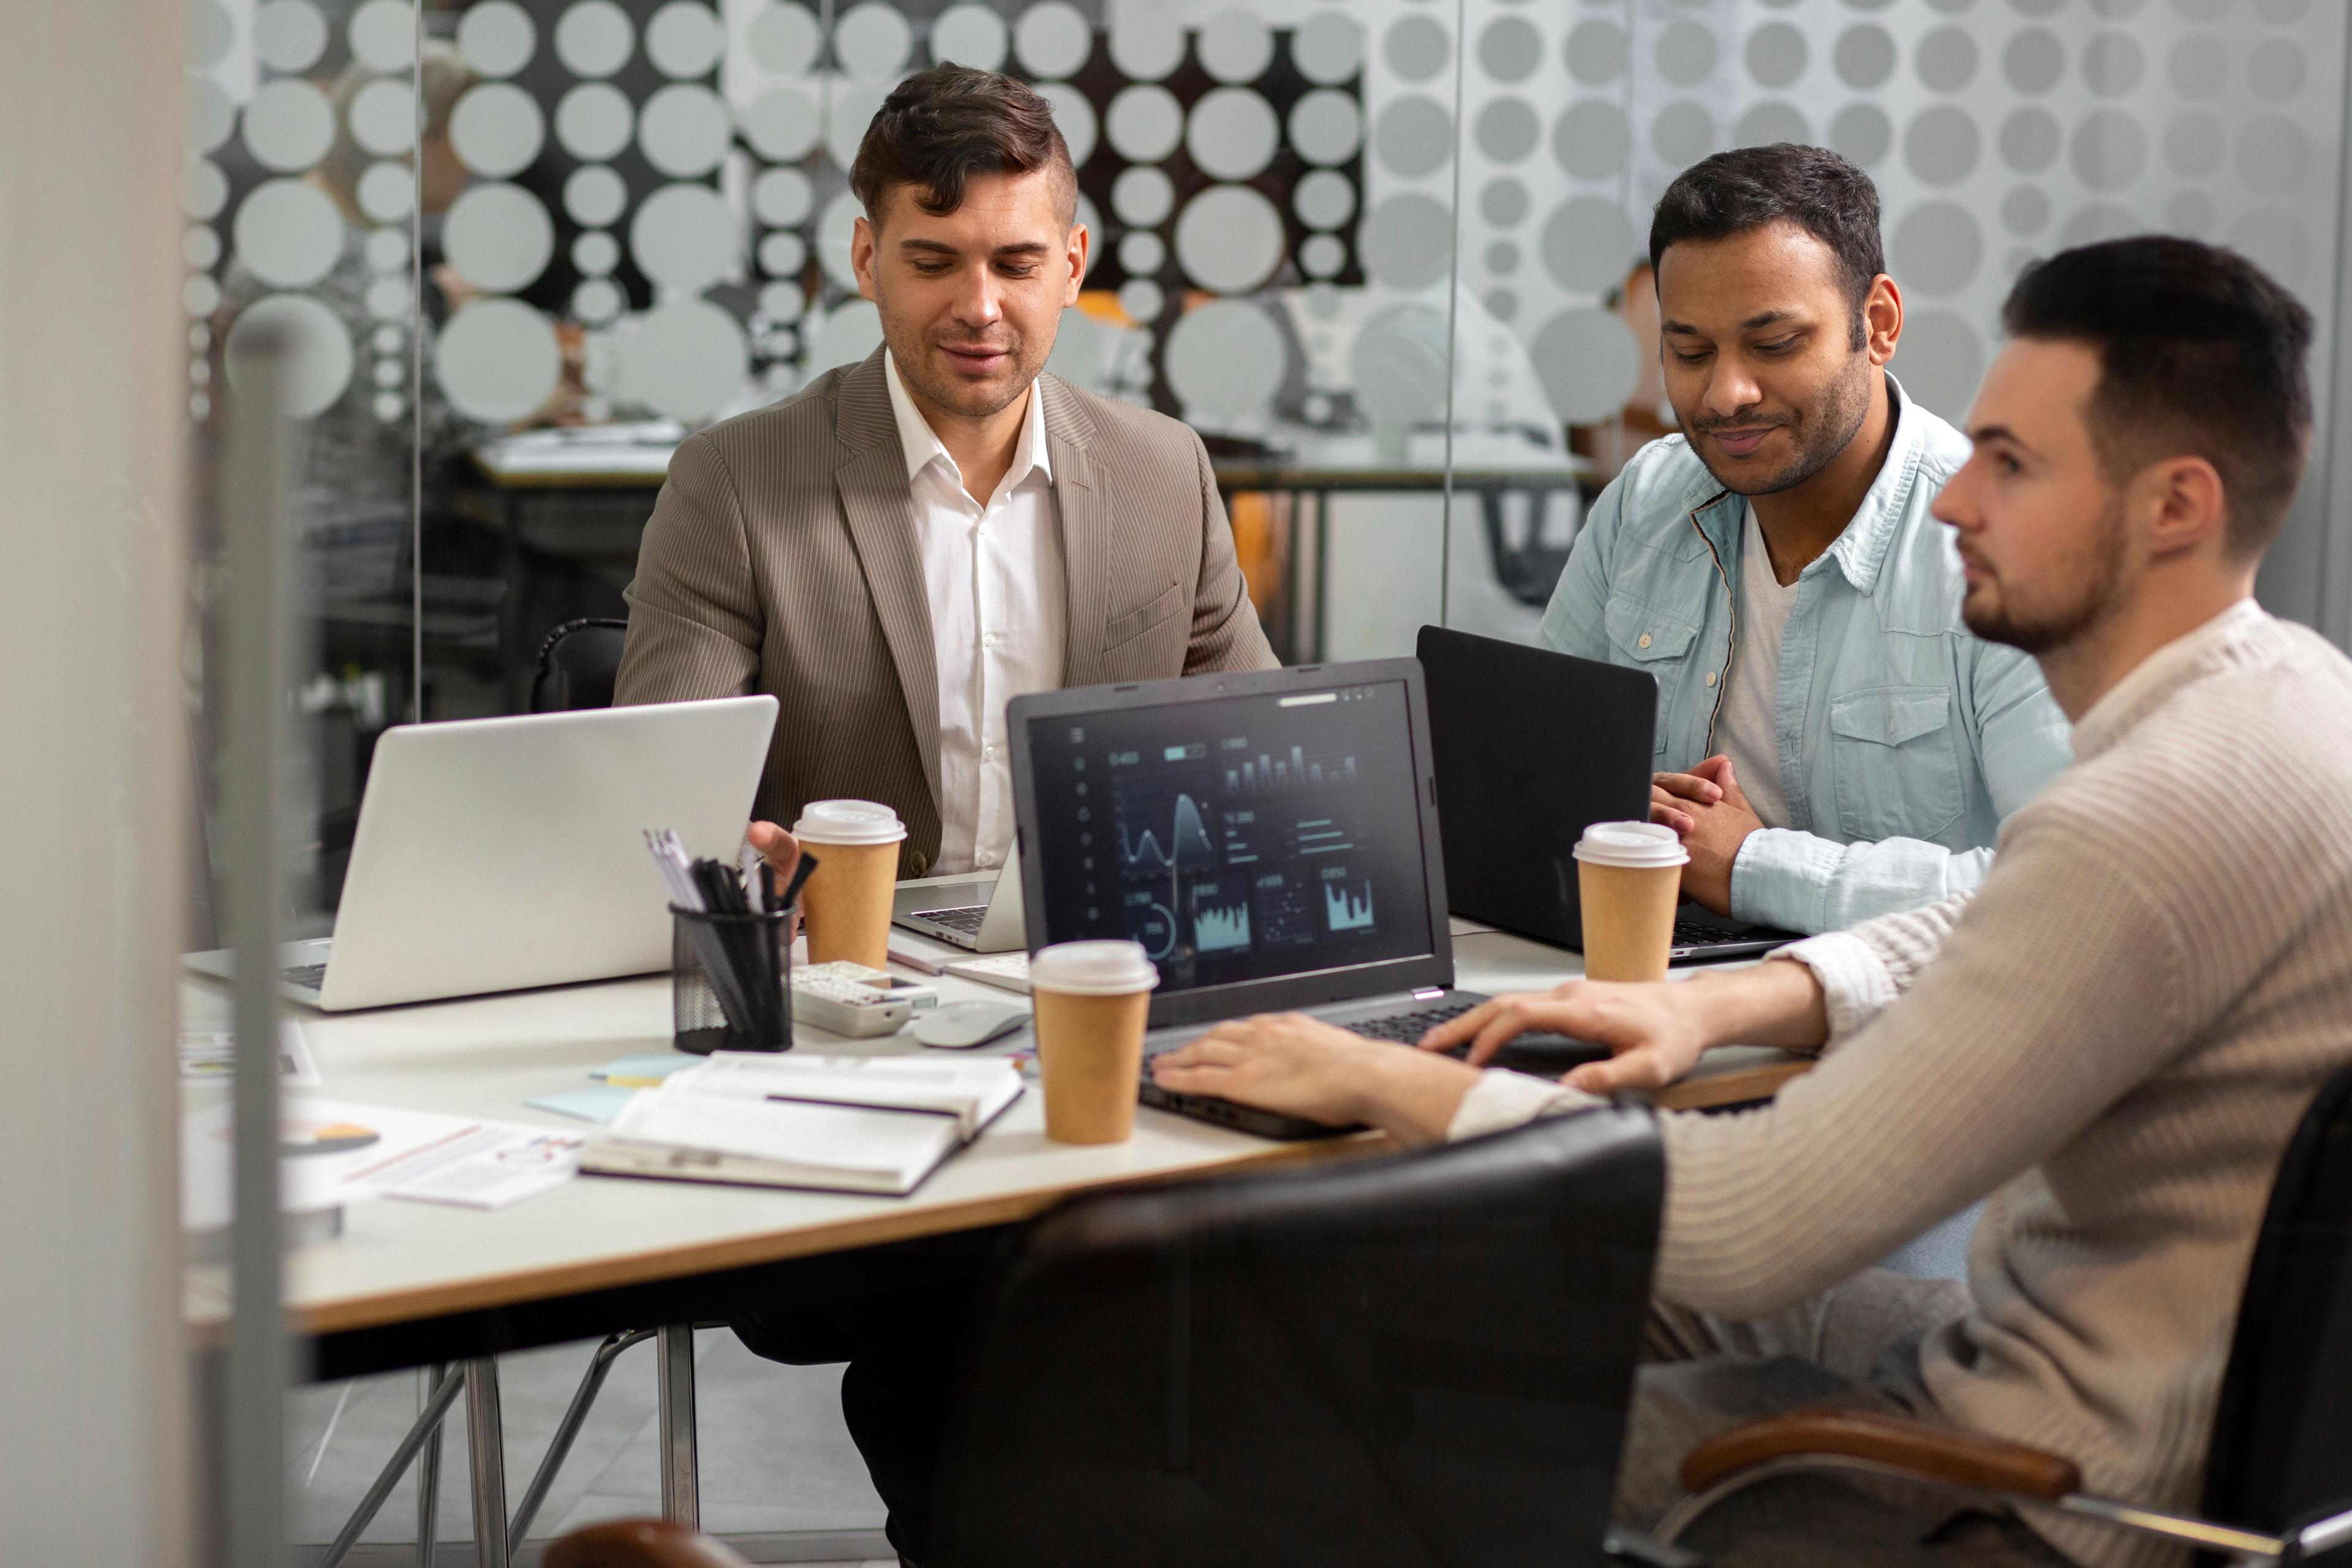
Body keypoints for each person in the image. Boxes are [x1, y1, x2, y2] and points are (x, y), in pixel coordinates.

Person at [1154, 236, 2352, 1567]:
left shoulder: (2140, 818)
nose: (1956, 502)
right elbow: (2013, 913)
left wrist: (1384, 1080)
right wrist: (1739, 993)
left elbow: (1747, 1228)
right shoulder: (2295, 699)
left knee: (1368, 1410)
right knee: (1477, 1297)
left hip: (2033, 1477)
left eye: (2011, 464)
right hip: (2070, 1357)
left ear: (2173, 506)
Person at [615, 64, 1275, 880]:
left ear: (1072, 267)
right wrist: (746, 872)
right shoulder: (735, 482)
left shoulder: (1166, 472)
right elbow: (663, 807)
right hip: (847, 966)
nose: (980, 306)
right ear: (867, 260)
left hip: (1102, 959)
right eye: (933, 264)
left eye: (1017, 265)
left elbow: (1257, 760)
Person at [1542, 146, 2071, 936]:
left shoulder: (2005, 545)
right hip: (1660, 979)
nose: (1726, 394)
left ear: (1879, 325)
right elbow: (1539, 776)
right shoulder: (1649, 501)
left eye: (1775, 344)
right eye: (1689, 352)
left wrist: (1751, 866)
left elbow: (2062, 887)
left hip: (1908, 1021)